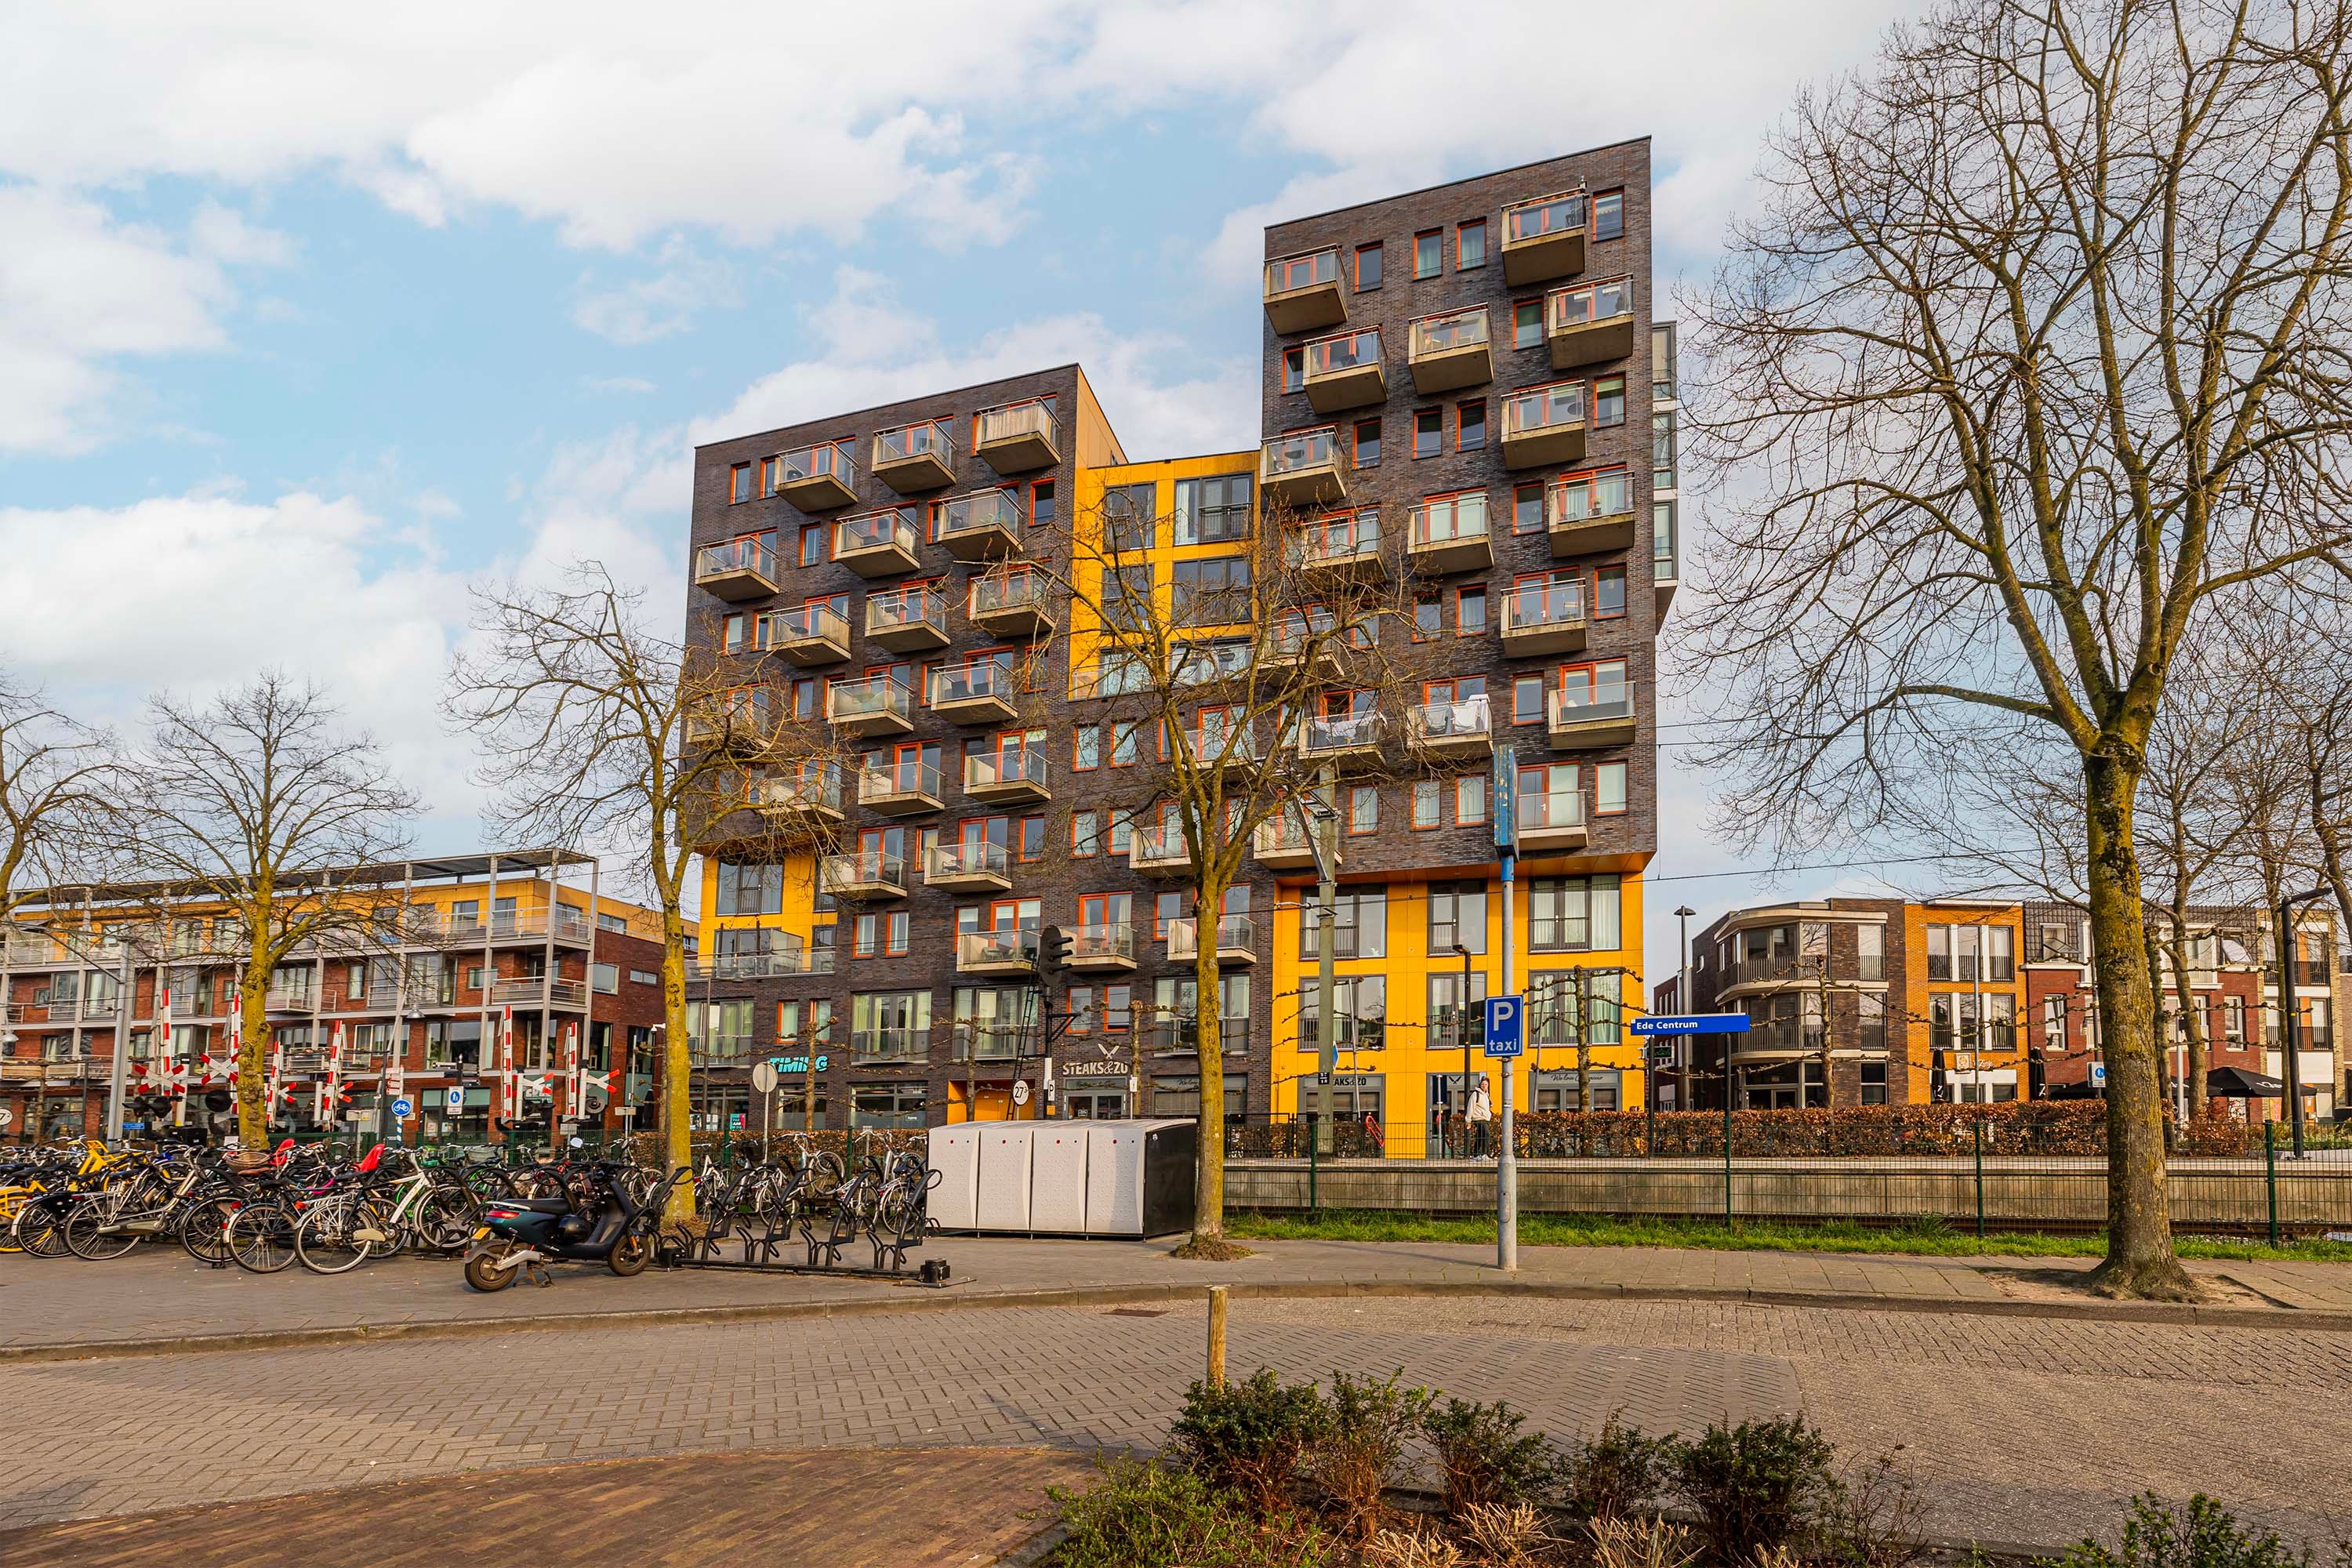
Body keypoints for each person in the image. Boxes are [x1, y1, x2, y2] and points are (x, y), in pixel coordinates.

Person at [1467, 1075, 1494, 1159]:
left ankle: (1475, 1155)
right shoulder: (1475, 1094)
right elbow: (1471, 1107)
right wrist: (1468, 1120)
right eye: (1483, 1084)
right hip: (1478, 1118)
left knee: (1480, 1136)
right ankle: (1484, 1154)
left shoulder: (1487, 1095)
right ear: (1480, 1085)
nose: (1484, 1086)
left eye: (1486, 1084)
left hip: (1486, 1118)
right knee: (1486, 1134)